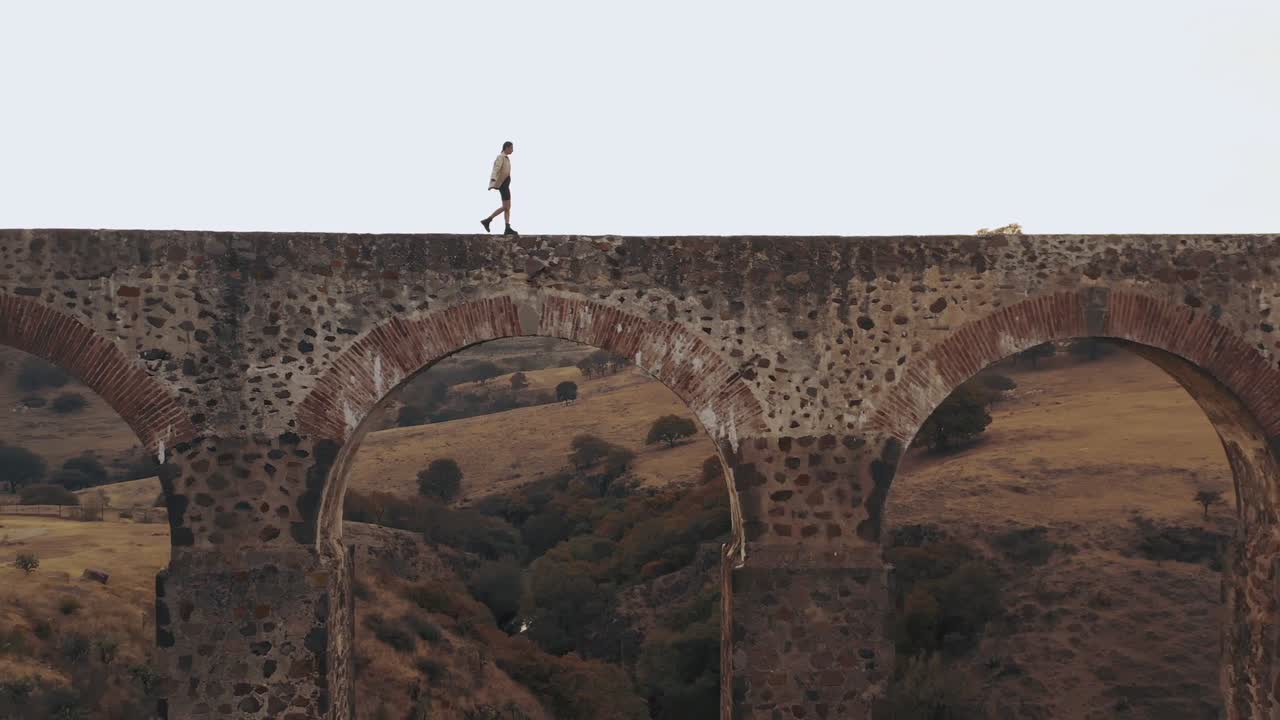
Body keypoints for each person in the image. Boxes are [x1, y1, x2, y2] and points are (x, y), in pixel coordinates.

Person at [481, 141, 517, 235]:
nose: (512, 150)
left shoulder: (506, 158)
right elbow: (496, 168)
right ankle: (489, 220)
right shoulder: (501, 157)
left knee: (507, 207)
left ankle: (507, 227)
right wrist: (493, 179)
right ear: (507, 148)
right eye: (511, 148)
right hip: (503, 185)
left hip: (505, 184)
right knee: (506, 207)